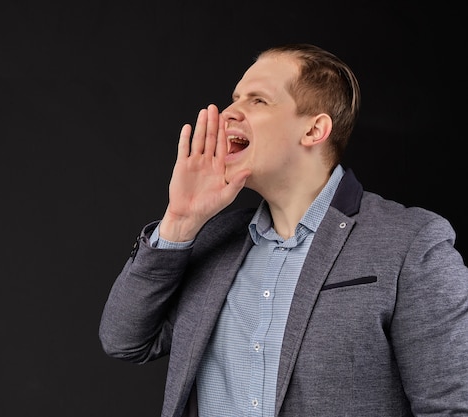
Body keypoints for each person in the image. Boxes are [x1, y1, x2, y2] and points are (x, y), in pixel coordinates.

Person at [98, 43, 468, 417]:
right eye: (235, 98)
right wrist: (179, 219)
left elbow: (451, 407)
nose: (228, 113)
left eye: (257, 101)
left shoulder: (411, 244)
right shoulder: (212, 238)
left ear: (313, 130)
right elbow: (124, 341)